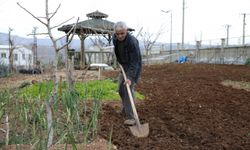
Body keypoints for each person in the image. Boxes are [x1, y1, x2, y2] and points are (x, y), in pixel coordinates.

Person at [113, 21, 142, 125]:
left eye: (122, 33)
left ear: (126, 31)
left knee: (127, 89)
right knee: (121, 90)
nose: (120, 36)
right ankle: (125, 109)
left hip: (134, 68)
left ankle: (132, 117)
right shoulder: (115, 38)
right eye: (118, 34)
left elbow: (135, 62)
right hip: (124, 66)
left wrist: (130, 78)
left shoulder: (132, 42)